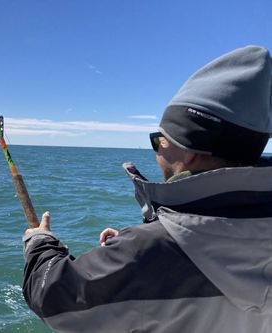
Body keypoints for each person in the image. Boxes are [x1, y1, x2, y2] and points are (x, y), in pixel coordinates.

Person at [22, 45, 272, 332]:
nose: (155, 151)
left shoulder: (146, 251)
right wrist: (133, 250)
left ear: (190, 151)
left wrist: (40, 243)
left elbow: (52, 298)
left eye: (159, 140)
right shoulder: (147, 251)